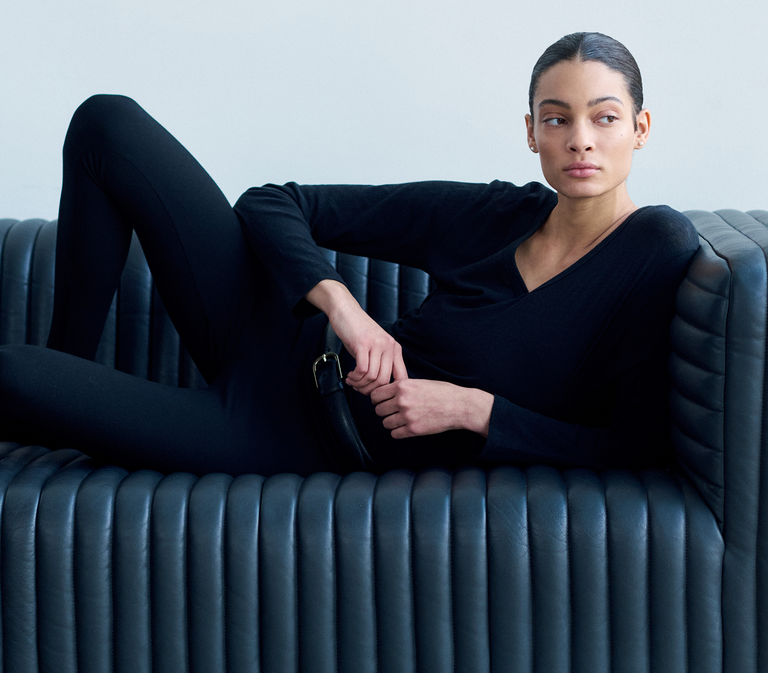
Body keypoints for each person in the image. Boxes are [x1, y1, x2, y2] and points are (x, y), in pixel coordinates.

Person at [0, 32, 699, 476]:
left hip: (291, 434)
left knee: (12, 373)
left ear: (639, 129)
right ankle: (73, 367)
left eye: (604, 117)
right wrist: (345, 310)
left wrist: (476, 411)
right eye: (557, 118)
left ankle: (53, 392)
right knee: (107, 124)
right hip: (285, 339)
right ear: (531, 132)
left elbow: (636, 447)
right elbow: (274, 201)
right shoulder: (500, 213)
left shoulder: (653, 247)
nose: (580, 139)